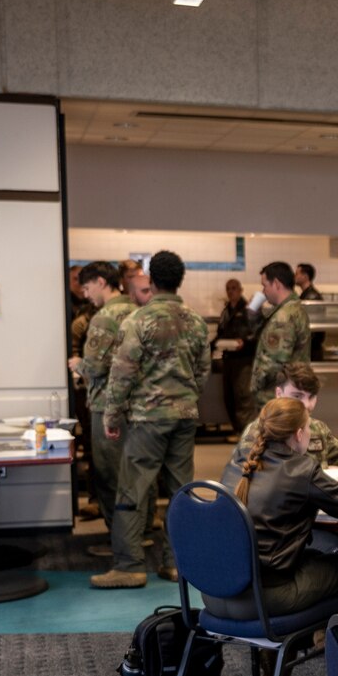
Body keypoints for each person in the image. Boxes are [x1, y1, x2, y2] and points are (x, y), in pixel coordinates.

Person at [94, 251, 210, 589]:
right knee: (181, 491)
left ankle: (129, 565)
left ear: (153, 281)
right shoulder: (196, 321)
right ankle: (177, 565)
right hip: (185, 416)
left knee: (133, 487)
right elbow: (203, 371)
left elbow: (122, 372)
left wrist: (112, 414)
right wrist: (185, 397)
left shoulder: (139, 321)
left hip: (148, 418)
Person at [209, 397, 338, 617]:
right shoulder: (300, 469)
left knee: (315, 558)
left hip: (217, 592)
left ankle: (288, 646)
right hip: (268, 597)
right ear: (299, 434)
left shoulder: (240, 462)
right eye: (309, 427)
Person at [73, 262, 145, 533]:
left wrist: (77, 362)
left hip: (107, 406)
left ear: (101, 282)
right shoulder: (138, 311)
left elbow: (95, 367)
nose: (85, 294)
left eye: (88, 287)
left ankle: (121, 541)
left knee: (109, 475)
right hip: (138, 405)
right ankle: (143, 532)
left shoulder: (104, 317)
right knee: (137, 474)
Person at [233, 361, 338, 471]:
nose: (306, 405)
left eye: (311, 396)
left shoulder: (318, 428)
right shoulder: (258, 430)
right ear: (279, 393)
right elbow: (247, 478)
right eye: (297, 396)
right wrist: (324, 475)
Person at [250, 261, 312, 416]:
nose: (263, 292)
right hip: (291, 393)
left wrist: (255, 385)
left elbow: (273, 362)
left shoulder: (283, 317)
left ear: (276, 283)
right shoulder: (294, 308)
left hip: (276, 398)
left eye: (265, 285)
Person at [215, 277, 256, 430]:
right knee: (229, 397)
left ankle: (245, 433)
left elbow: (256, 334)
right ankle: (237, 430)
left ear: (240, 290)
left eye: (234, 288)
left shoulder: (249, 310)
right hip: (228, 359)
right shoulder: (226, 312)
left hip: (244, 360)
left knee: (243, 397)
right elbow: (221, 333)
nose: (231, 291)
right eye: (228, 289)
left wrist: (244, 341)